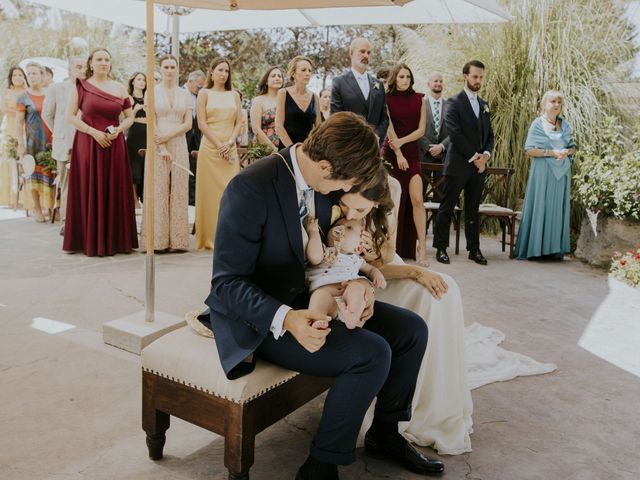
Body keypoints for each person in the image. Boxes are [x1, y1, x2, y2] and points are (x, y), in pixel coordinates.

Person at [203, 112, 444, 479]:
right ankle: (319, 466)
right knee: (371, 354)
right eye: (347, 183)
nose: (347, 194)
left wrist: (358, 285)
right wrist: (286, 317)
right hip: (260, 317)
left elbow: (333, 256)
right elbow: (226, 283)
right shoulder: (250, 187)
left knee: (411, 331)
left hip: (312, 294)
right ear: (325, 165)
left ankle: (385, 433)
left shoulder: (321, 181)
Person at [335, 172, 473, 456]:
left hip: (386, 274)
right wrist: (416, 271)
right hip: (361, 281)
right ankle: (405, 412)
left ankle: (432, 401)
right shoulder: (337, 204)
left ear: (374, 203)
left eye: (360, 210)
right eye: (348, 207)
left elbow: (386, 262)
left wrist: (409, 270)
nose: (352, 213)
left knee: (447, 292)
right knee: (429, 299)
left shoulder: (388, 199)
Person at [63, 48, 137, 257]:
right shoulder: (81, 86)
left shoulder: (120, 88)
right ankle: (88, 240)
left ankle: (117, 240)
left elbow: (129, 117)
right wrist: (93, 132)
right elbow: (70, 116)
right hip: (88, 143)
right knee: (89, 187)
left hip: (115, 144)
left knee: (114, 187)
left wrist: (119, 131)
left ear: (110, 64)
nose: (103, 62)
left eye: (107, 59)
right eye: (99, 59)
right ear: (91, 63)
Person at [433, 60, 494, 266]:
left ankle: (474, 249)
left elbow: (490, 135)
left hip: (479, 168)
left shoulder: (484, 105)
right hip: (459, 164)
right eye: (475, 76)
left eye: (481, 77)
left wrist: (485, 155)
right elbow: (455, 134)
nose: (478, 80)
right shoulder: (453, 102)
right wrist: (475, 157)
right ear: (465, 76)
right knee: (447, 207)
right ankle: (441, 248)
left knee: (472, 209)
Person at [140, 54, 192, 252]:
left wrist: (169, 135)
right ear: (160, 69)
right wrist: (160, 145)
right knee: (158, 188)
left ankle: (178, 240)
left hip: (178, 140)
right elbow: (151, 122)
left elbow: (188, 123)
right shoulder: (151, 92)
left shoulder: (184, 94)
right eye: (166, 67)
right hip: (156, 140)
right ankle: (157, 240)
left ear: (177, 69)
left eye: (172, 67)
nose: (169, 70)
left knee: (179, 187)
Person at [515, 90, 576, 260]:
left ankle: (553, 250)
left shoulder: (565, 125)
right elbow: (529, 150)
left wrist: (566, 151)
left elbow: (572, 146)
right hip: (542, 173)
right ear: (544, 104)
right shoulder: (537, 124)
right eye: (552, 101)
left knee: (556, 208)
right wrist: (552, 152)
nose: (556, 105)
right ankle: (536, 250)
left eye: (559, 102)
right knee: (541, 206)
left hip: (561, 174)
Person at [194, 56, 242, 250]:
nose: (223, 74)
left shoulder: (234, 95)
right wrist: (218, 144)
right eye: (220, 70)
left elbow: (239, 122)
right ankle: (208, 238)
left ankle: (230, 236)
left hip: (229, 149)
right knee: (210, 194)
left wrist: (229, 143)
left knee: (230, 193)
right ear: (211, 72)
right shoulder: (204, 93)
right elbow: (201, 123)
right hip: (210, 148)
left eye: (226, 71)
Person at [382, 64, 428, 266]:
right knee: (393, 203)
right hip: (392, 154)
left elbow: (421, 131)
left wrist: (403, 143)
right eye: (401, 76)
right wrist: (398, 151)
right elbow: (390, 129)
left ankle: (423, 248)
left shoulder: (420, 99)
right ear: (394, 78)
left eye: (408, 76)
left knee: (418, 199)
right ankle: (390, 248)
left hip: (412, 154)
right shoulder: (386, 99)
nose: (405, 79)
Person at [305, 216, 386, 327]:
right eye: (337, 225)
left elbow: (371, 269)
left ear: (359, 247)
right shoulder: (326, 252)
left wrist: (378, 275)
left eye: (349, 227)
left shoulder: (357, 260)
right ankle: (317, 323)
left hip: (348, 298)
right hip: (328, 301)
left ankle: (353, 316)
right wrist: (313, 232)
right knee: (319, 296)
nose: (341, 227)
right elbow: (314, 257)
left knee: (357, 287)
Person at [42, 56, 86, 232]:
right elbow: (47, 115)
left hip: (86, 142)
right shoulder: (57, 88)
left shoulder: (89, 89)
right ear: (70, 69)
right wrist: (58, 132)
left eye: (84, 67)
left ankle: (84, 221)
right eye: (78, 67)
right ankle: (66, 222)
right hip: (64, 143)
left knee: (85, 183)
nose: (82, 70)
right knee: (67, 183)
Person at [331, 38, 388, 145]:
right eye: (362, 51)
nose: (366, 55)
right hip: (349, 146)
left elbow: (384, 117)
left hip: (374, 147)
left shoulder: (378, 85)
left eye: (369, 52)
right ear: (351, 53)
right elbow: (336, 117)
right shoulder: (339, 82)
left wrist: (376, 136)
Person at [16, 62, 53, 222]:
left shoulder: (50, 93)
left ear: (42, 75)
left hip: (51, 140)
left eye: (34, 73)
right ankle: (37, 208)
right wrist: (21, 144)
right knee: (33, 174)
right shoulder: (23, 96)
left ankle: (50, 208)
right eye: (29, 74)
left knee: (51, 174)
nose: (31, 76)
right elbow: (19, 123)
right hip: (33, 142)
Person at [275, 56, 320, 146]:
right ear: (293, 74)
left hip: (308, 149)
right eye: (303, 70)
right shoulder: (283, 93)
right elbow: (279, 126)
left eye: (309, 71)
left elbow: (319, 128)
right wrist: (293, 150)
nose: (307, 73)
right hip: (287, 149)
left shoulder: (315, 97)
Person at [418, 72, 450, 197]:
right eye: (435, 81)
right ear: (429, 83)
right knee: (419, 195)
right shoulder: (420, 104)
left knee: (440, 196)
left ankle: (438, 218)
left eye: (441, 81)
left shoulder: (451, 106)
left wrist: (441, 146)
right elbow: (414, 128)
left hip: (443, 157)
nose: (438, 83)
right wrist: (429, 148)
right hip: (423, 156)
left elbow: (455, 131)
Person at [0, 66, 28, 206]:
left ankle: (25, 197)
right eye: (14, 75)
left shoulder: (27, 92)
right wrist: (20, 112)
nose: (17, 77)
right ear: (10, 78)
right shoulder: (5, 91)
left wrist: (20, 113)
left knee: (25, 160)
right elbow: (3, 108)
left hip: (25, 128)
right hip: (10, 127)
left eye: (20, 75)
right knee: (10, 159)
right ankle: (11, 196)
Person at [250, 66, 283, 153]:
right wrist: (273, 148)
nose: (277, 78)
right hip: (265, 149)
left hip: (284, 148)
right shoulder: (258, 100)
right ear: (266, 81)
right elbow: (256, 128)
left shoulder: (285, 100)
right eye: (273, 76)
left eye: (279, 76)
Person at [126, 71, 147, 209]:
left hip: (148, 133)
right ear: (133, 81)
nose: (142, 82)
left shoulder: (149, 97)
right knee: (135, 166)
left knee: (146, 165)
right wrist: (135, 110)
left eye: (144, 80)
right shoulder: (129, 98)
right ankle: (133, 199)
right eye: (139, 79)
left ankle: (145, 196)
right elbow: (126, 118)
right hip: (135, 133)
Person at [184, 70, 205, 206]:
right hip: (181, 136)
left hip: (195, 138)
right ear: (190, 82)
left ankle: (192, 201)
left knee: (193, 169)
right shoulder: (180, 93)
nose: (200, 89)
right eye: (199, 86)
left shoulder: (200, 96)